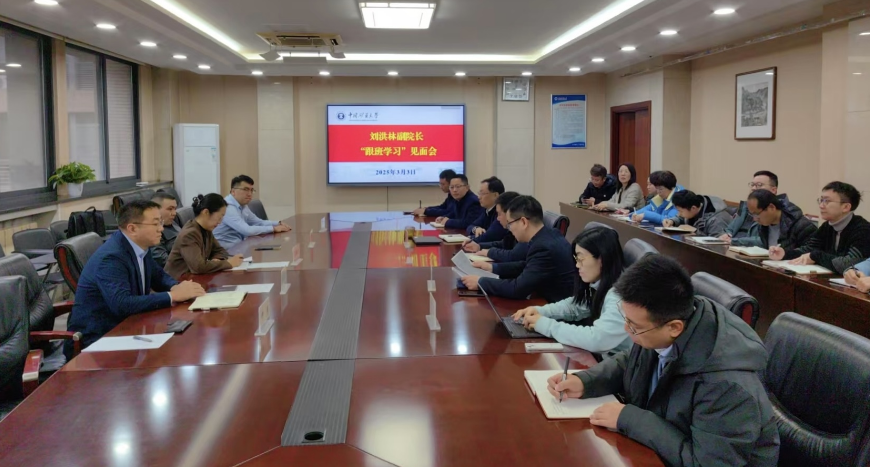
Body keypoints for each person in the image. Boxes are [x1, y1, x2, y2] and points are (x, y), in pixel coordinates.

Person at [547, 255, 780, 466]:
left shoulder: (727, 386)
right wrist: (586, 381)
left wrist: (631, 419)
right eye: (625, 319)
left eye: (634, 326)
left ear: (674, 327)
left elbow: (706, 463)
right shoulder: (666, 327)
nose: (627, 330)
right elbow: (630, 361)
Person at [65, 200, 206, 357]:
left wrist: (176, 287)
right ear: (132, 228)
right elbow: (122, 304)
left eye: (160, 222)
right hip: (99, 339)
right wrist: (172, 296)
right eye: (155, 224)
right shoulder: (112, 258)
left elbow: (157, 276)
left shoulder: (140, 246)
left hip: (128, 326)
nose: (161, 228)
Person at [511, 227, 632, 355]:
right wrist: (542, 311)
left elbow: (597, 340)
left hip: (614, 362)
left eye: (581, 259)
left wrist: (547, 326)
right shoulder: (603, 283)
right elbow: (577, 306)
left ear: (602, 258)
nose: (577, 265)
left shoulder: (618, 296)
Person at [460, 195, 575, 303]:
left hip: (554, 306)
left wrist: (481, 282)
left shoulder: (543, 247)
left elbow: (518, 289)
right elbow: (526, 265)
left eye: (510, 224)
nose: (509, 229)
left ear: (523, 222)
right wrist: (492, 268)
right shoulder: (549, 234)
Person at [770, 181, 870, 274]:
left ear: (846, 207)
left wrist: (816, 256)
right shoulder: (827, 226)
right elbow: (809, 249)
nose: (821, 206)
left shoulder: (863, 230)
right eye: (821, 200)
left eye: (827, 201)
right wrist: (784, 253)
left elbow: (848, 264)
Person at [164, 194, 245, 279]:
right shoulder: (189, 234)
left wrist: (217, 260)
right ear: (206, 212)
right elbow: (198, 267)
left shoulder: (206, 229)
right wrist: (229, 263)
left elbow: (220, 251)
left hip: (192, 278)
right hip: (176, 281)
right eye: (219, 217)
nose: (220, 222)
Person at [213, 175, 290, 248]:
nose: (249, 194)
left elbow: (258, 222)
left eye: (251, 190)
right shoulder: (227, 207)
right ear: (233, 191)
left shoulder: (243, 205)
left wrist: (278, 223)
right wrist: (273, 229)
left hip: (239, 246)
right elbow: (247, 230)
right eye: (245, 189)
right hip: (226, 251)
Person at [463, 191, 530, 262]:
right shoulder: (511, 230)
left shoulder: (525, 233)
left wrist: (489, 255)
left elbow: (513, 255)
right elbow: (504, 244)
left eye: (499, 214)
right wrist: (479, 246)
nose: (497, 218)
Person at [721, 170, 780, 245]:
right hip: (732, 246)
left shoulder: (772, 211)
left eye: (759, 185)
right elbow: (730, 229)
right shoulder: (745, 206)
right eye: (752, 185)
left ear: (773, 190)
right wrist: (726, 235)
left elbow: (766, 240)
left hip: (748, 248)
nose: (753, 188)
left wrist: (735, 241)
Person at [744, 189, 816, 250]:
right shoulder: (763, 226)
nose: (755, 219)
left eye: (756, 214)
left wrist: (785, 255)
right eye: (752, 214)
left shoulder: (802, 226)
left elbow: (812, 253)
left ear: (771, 207)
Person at [662, 190, 733, 237]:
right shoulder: (693, 207)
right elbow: (682, 217)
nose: (679, 214)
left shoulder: (717, 219)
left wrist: (695, 231)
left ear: (693, 208)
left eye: (680, 211)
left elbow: (717, 243)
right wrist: (672, 221)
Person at [466, 176, 507, 243]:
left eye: (482, 193)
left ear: (496, 195)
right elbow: (470, 226)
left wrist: (469, 238)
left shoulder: (502, 212)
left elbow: (489, 237)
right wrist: (476, 229)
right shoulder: (487, 210)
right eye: (479, 193)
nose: (479, 197)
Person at [150, 192, 180, 267]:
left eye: (175, 209)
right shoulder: (153, 232)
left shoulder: (173, 222)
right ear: (155, 209)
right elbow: (165, 261)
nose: (174, 213)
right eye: (170, 209)